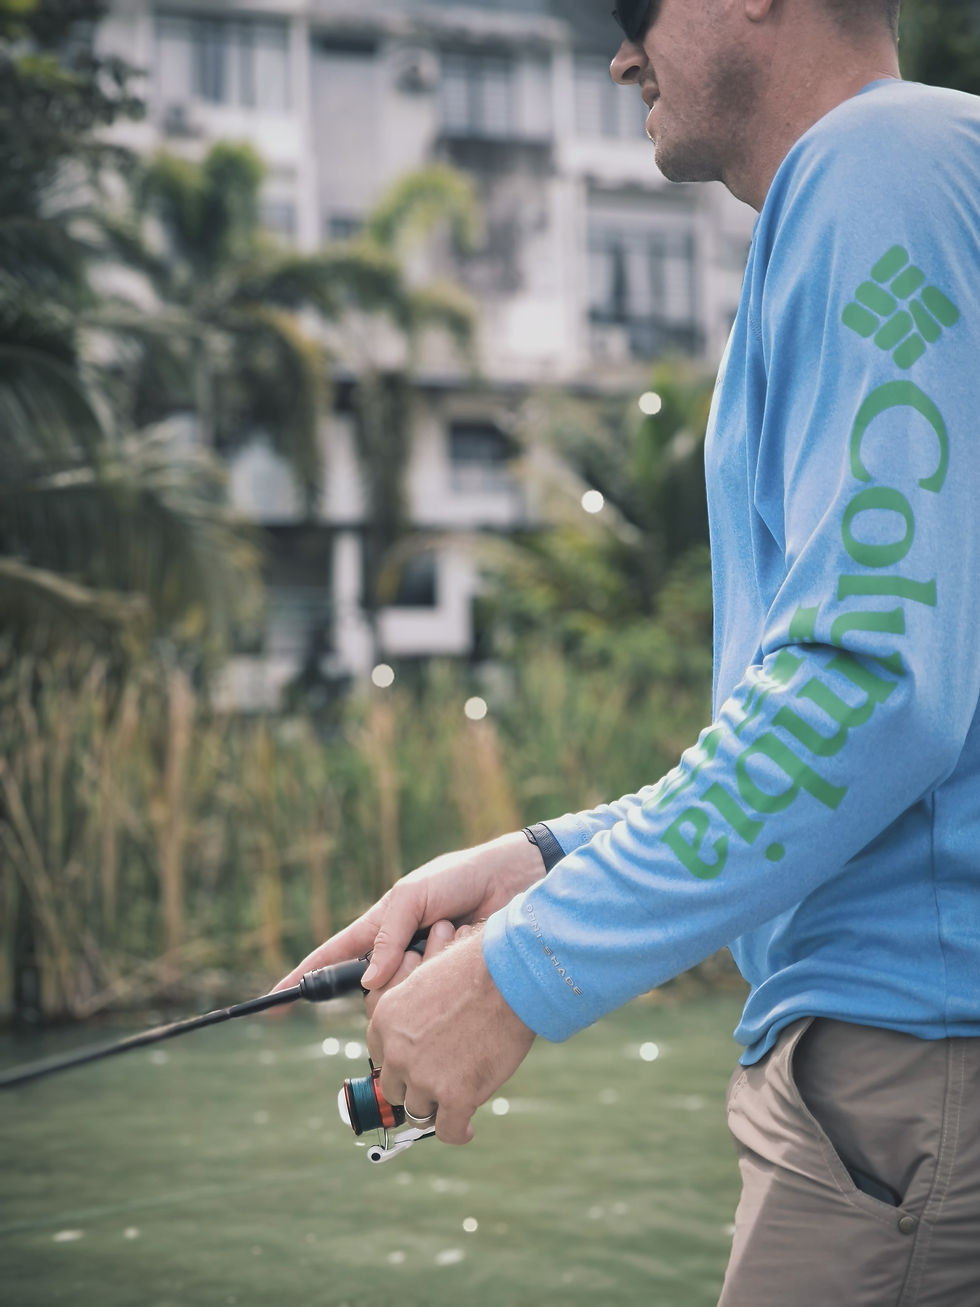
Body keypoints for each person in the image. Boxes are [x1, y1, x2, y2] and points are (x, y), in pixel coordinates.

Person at [278, 1, 980, 1300]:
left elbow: (874, 694)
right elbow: (875, 709)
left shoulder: (877, 169)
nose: (619, 54)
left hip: (912, 1068)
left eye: (632, 8)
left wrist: (515, 978)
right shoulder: (906, 186)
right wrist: (540, 861)